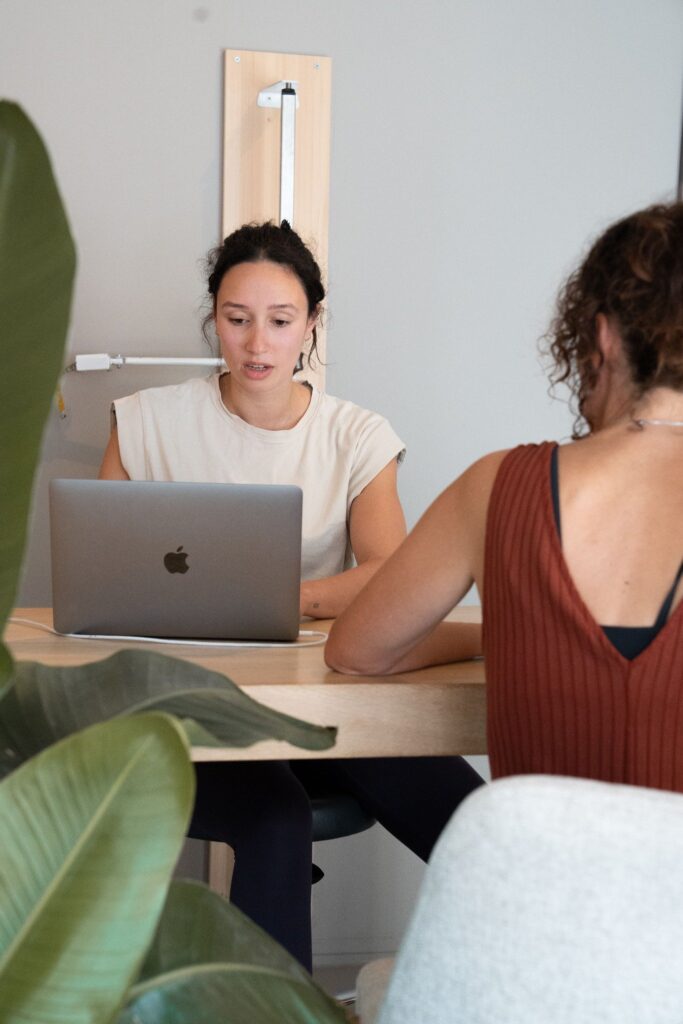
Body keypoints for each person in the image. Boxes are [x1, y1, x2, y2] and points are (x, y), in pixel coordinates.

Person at [99, 221, 483, 970]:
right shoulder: (147, 421)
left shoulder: (355, 435)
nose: (255, 343)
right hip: (193, 716)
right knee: (273, 816)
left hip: (317, 708)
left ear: (310, 324)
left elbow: (388, 573)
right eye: (236, 319)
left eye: (278, 322)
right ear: (213, 317)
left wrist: (285, 596)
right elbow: (106, 565)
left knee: (474, 822)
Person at [326, 201, 683, 794]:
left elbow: (357, 652)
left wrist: (500, 637)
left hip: (530, 884)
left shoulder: (497, 487)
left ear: (601, 337)